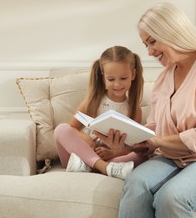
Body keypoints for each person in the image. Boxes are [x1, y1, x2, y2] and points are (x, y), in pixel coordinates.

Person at [95, 3, 196, 218]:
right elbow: (155, 129)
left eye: (152, 41)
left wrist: (157, 141)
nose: (149, 51)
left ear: (172, 31)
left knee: (171, 197)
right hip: (174, 156)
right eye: (145, 44)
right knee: (135, 184)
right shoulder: (164, 77)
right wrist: (129, 140)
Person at [54, 45, 147, 180]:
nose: (117, 84)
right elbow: (71, 128)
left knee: (142, 155)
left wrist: (113, 153)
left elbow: (131, 145)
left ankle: (95, 167)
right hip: (78, 155)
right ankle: (104, 168)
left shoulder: (134, 109)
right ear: (103, 77)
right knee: (61, 129)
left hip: (108, 157)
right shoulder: (93, 101)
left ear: (133, 75)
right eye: (111, 79)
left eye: (123, 78)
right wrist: (86, 139)